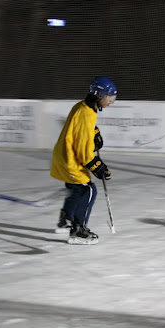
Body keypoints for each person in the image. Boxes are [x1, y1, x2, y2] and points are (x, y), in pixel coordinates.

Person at [51, 76, 116, 245]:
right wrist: (98, 166)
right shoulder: (86, 113)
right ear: (99, 94)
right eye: (109, 96)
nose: (111, 100)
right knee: (88, 190)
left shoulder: (83, 106)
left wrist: (94, 132)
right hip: (70, 159)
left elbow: (80, 130)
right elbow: (83, 151)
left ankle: (66, 219)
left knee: (76, 189)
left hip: (64, 155)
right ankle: (78, 231)